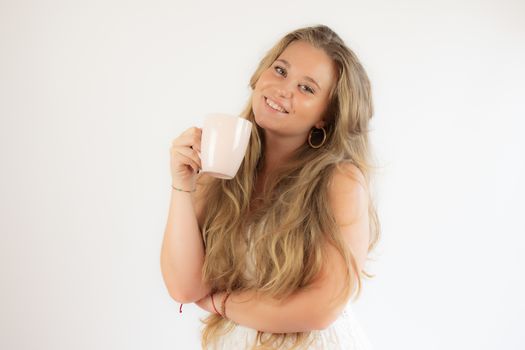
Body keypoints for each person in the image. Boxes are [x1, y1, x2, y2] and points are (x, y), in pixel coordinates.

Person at [161, 24, 381, 349]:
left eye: (307, 88)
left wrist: (223, 305)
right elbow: (184, 288)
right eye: (280, 70)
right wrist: (182, 185)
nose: (282, 89)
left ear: (327, 115)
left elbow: (323, 307)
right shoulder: (222, 163)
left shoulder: (340, 180)